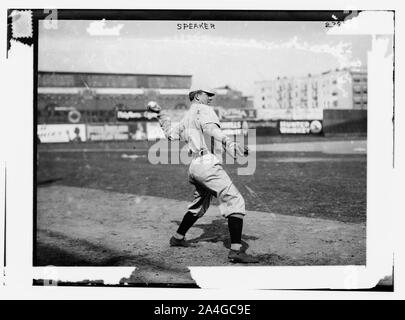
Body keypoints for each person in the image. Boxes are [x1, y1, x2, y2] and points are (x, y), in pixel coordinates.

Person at [147, 87, 258, 263]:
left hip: (195, 167)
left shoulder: (186, 117)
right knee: (235, 200)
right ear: (198, 96)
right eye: (208, 94)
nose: (211, 98)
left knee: (198, 205)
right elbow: (211, 130)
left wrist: (160, 114)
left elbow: (170, 135)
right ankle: (236, 251)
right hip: (207, 165)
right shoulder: (204, 110)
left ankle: (178, 237)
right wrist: (230, 142)